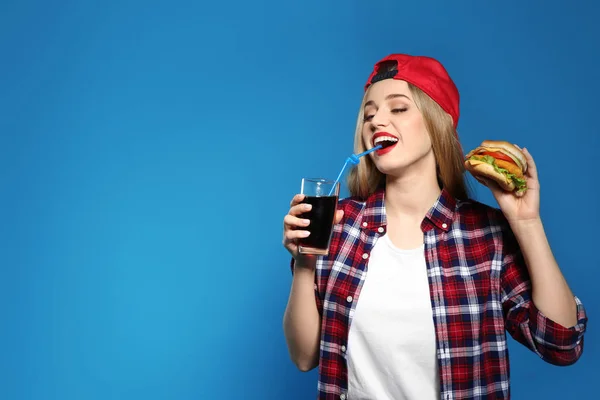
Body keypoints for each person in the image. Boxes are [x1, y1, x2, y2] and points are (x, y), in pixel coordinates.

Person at [281, 53, 588, 400]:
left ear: (436, 122)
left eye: (398, 109)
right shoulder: (338, 225)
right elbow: (304, 357)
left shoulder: (485, 235)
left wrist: (526, 222)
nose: (376, 121)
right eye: (369, 113)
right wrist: (304, 262)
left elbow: (562, 344)